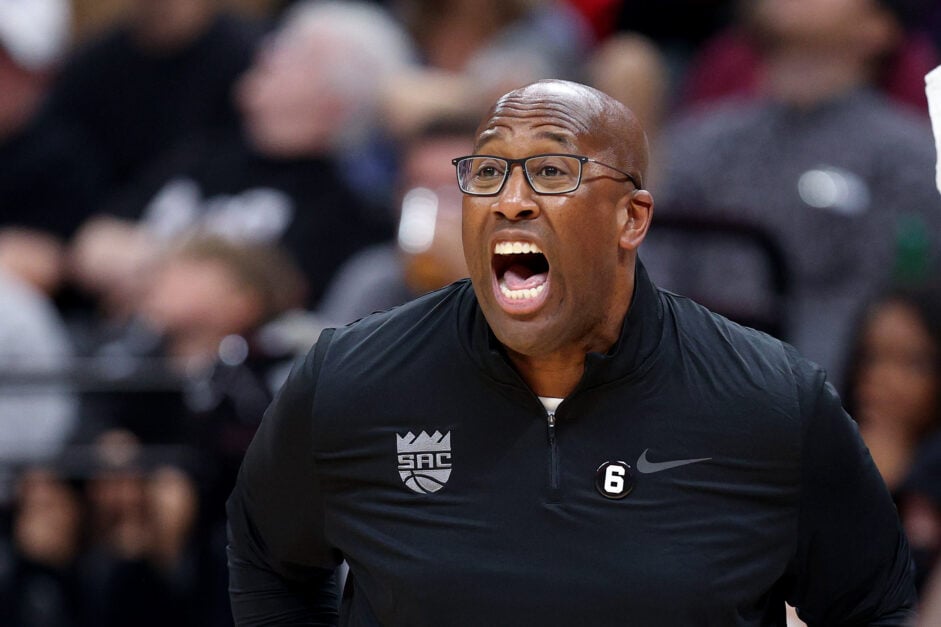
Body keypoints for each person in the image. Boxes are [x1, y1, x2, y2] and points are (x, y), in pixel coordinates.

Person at [226, 79, 915, 625]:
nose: (510, 201)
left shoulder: (771, 400)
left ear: (630, 217)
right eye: (488, 171)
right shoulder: (350, 379)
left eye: (551, 171)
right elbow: (269, 560)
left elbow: (871, 604)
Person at [650, 0, 941, 388]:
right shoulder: (695, 142)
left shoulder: (913, 157)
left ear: (878, 27)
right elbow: (649, 281)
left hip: (818, 403)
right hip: (681, 388)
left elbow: (889, 318)